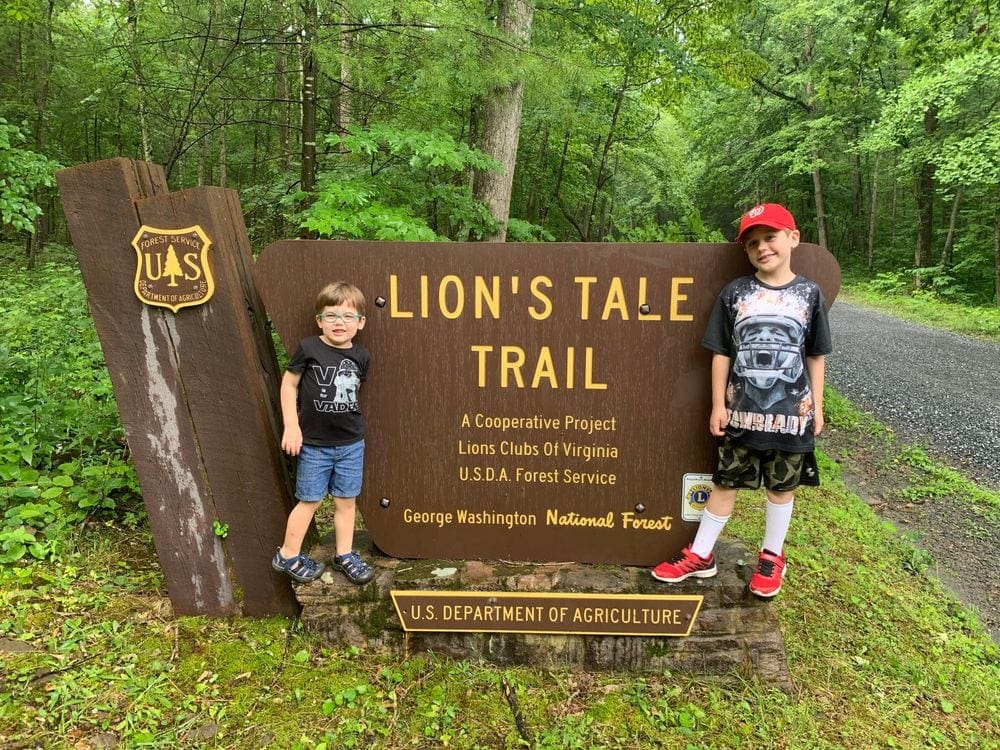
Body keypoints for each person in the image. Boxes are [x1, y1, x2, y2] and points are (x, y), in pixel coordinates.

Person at [652, 203, 832, 598]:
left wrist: (816, 406)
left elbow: (815, 354)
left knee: (782, 487)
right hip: (741, 412)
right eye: (752, 243)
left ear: (793, 238)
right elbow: (721, 352)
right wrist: (719, 403)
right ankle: (701, 554)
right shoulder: (735, 293)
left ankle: (772, 555)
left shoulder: (808, 294)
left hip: (790, 416)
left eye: (770, 237)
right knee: (725, 481)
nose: (762, 247)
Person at [271, 281, 375, 585]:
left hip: (351, 442)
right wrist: (292, 426)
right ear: (320, 321)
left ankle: (344, 554)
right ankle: (288, 554)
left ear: (360, 322)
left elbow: (356, 390)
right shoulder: (309, 348)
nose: (339, 323)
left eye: (347, 316)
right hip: (314, 445)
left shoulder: (362, 356)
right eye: (331, 316)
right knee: (310, 500)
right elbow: (289, 385)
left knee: (346, 500)